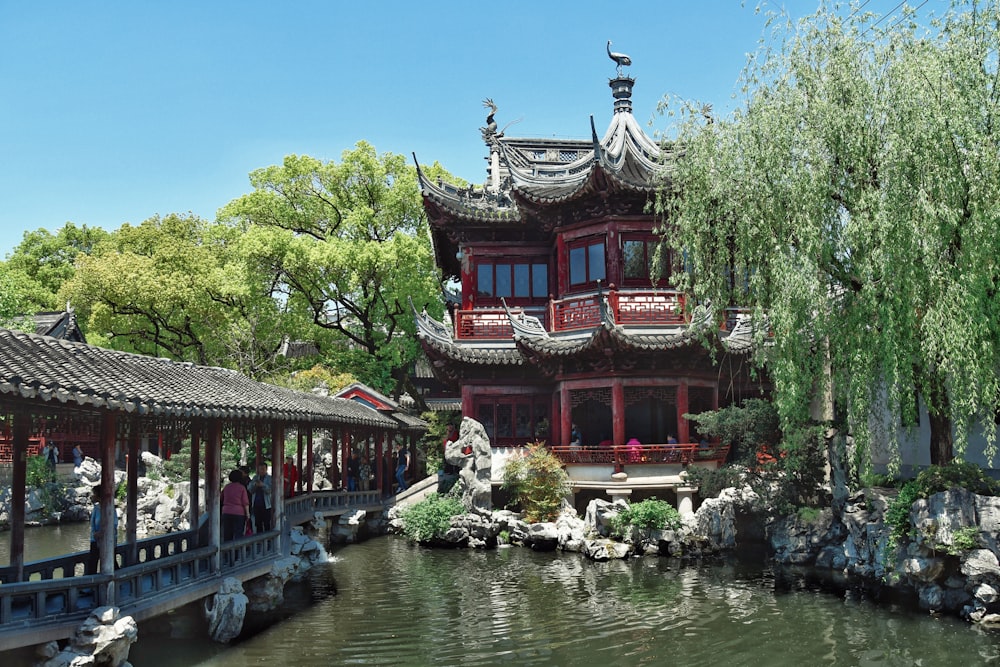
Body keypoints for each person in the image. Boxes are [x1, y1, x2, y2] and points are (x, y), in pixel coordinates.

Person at [88, 487, 118, 574]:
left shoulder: (110, 508)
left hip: (109, 541)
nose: (92, 496)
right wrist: (95, 534)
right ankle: (91, 584)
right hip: (95, 540)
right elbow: (93, 524)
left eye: (94, 494)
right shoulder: (96, 508)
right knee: (92, 564)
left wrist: (102, 533)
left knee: (111, 563)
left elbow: (114, 524)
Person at [221, 469, 250, 541]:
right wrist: (247, 514)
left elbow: (221, 498)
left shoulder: (226, 487)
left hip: (226, 512)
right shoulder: (241, 488)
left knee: (227, 533)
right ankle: (237, 551)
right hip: (239, 512)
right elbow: (245, 502)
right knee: (238, 533)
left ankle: (227, 550)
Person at [249, 462, 272, 533]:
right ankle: (259, 541)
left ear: (266, 469)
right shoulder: (255, 478)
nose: (261, 471)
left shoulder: (270, 478)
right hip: (256, 504)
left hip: (266, 505)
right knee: (258, 524)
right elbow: (250, 489)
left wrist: (263, 485)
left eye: (263, 469)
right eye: (260, 469)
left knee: (267, 523)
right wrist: (255, 485)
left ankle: (268, 540)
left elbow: (269, 490)